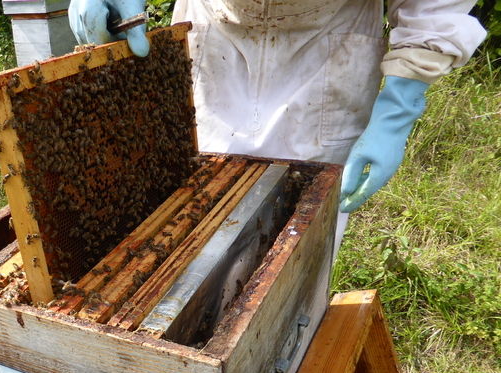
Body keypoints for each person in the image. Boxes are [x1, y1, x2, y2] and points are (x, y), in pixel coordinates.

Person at [68, 0, 486, 245]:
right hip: (213, 31)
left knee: (297, 236)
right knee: (187, 206)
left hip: (326, 48)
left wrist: (399, 108)